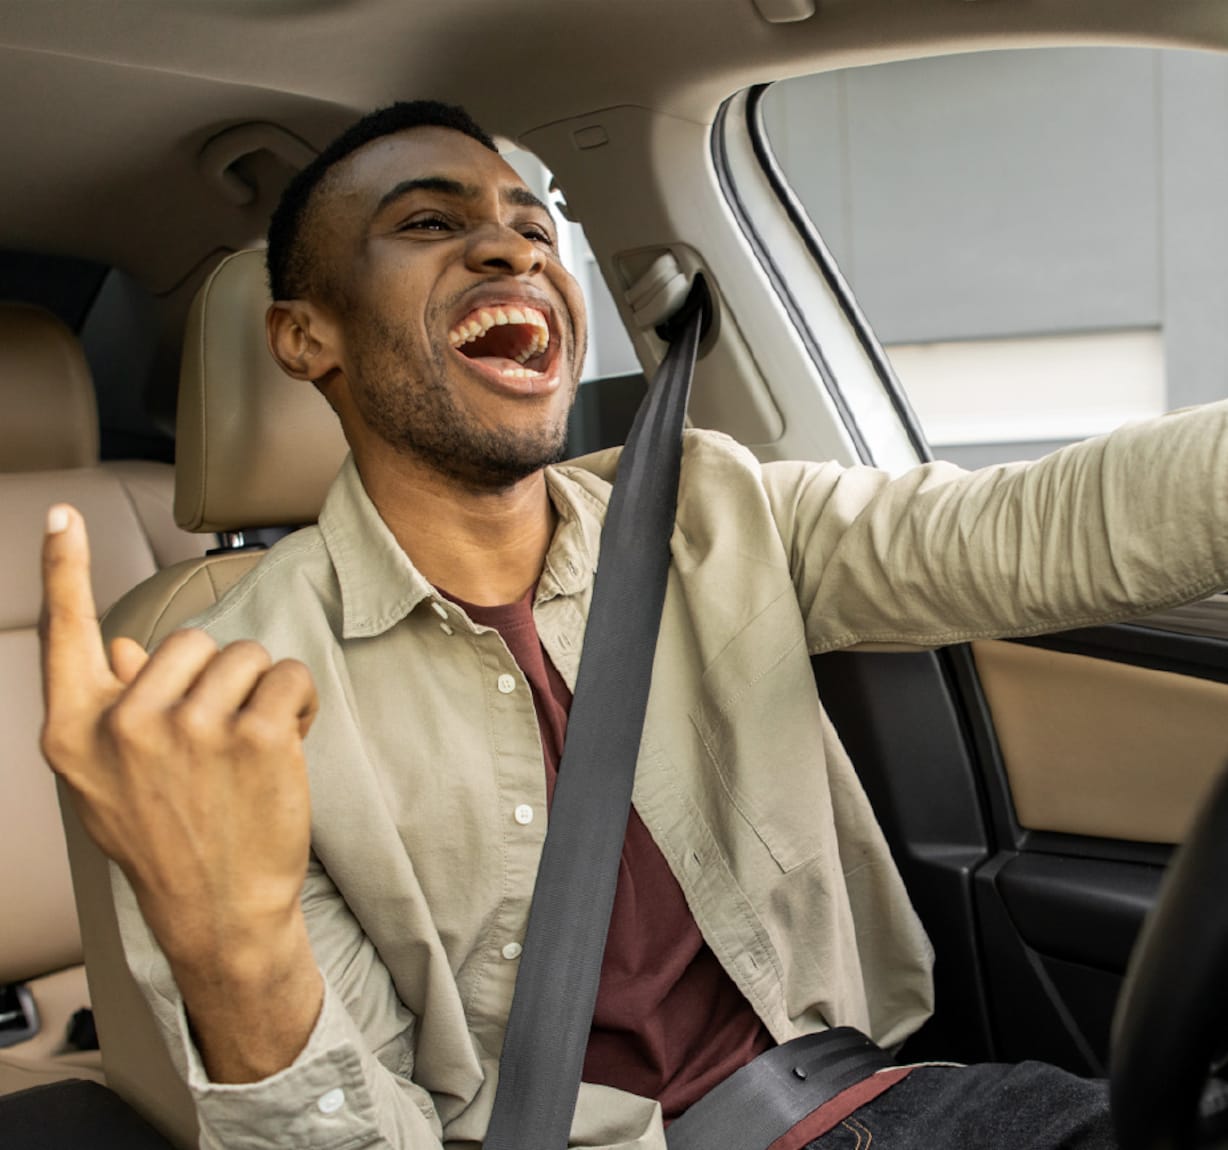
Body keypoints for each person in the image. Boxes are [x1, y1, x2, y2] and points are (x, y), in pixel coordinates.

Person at [38, 100, 1228, 1149]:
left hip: (876, 1107)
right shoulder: (227, 699)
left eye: (531, 225)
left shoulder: (711, 506)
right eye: (427, 222)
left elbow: (1037, 525)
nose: (509, 242)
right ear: (306, 337)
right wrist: (231, 947)